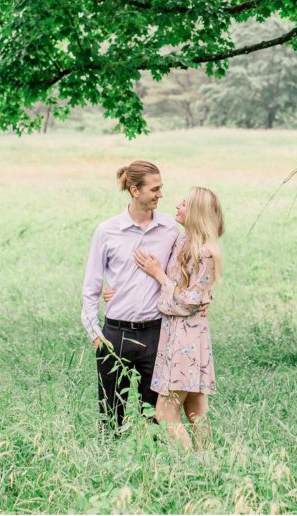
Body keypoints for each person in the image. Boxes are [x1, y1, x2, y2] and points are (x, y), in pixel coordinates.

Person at [105, 186, 224, 449]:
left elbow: (188, 301)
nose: (177, 206)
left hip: (187, 339)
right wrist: (118, 290)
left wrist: (159, 274)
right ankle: (209, 466)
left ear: (196, 212)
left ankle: (189, 467)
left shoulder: (204, 252)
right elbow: (196, 292)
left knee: (165, 413)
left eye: (184, 204)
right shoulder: (182, 240)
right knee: (195, 409)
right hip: (174, 334)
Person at [80, 160, 178, 435]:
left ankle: (155, 471)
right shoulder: (107, 231)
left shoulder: (169, 229)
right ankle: (108, 463)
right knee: (111, 413)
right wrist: (96, 337)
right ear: (135, 190)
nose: (160, 194)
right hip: (116, 334)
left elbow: (181, 273)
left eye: (161, 188)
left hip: (156, 333)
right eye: (155, 189)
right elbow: (91, 287)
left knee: (157, 414)